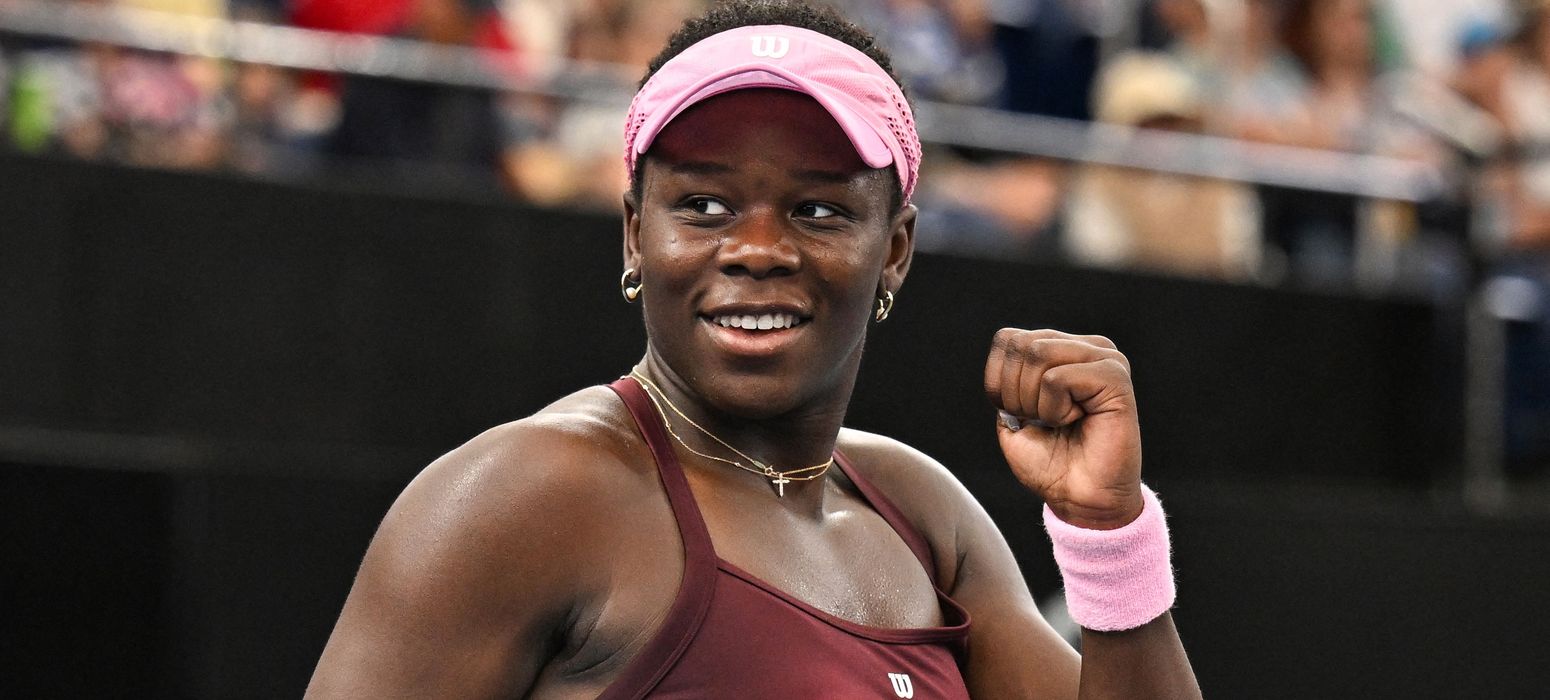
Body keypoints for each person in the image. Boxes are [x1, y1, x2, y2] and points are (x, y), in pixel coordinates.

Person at [306, 1, 1200, 697]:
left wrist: (1107, 532)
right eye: (703, 206)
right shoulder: (522, 499)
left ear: (893, 249)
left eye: (819, 210)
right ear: (633, 235)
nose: (757, 248)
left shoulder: (925, 515)